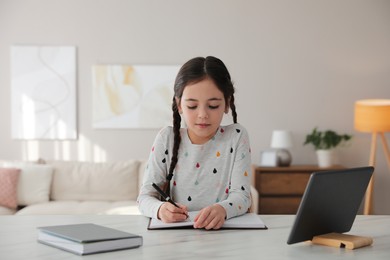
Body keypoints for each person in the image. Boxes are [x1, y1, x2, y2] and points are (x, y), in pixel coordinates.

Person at [137, 56, 252, 230]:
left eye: (212, 106)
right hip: (174, 238)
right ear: (179, 105)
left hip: (223, 236)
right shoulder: (166, 138)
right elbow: (144, 198)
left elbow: (242, 196)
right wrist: (160, 209)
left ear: (227, 103)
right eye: (192, 106)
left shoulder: (236, 136)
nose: (202, 114)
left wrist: (222, 209)